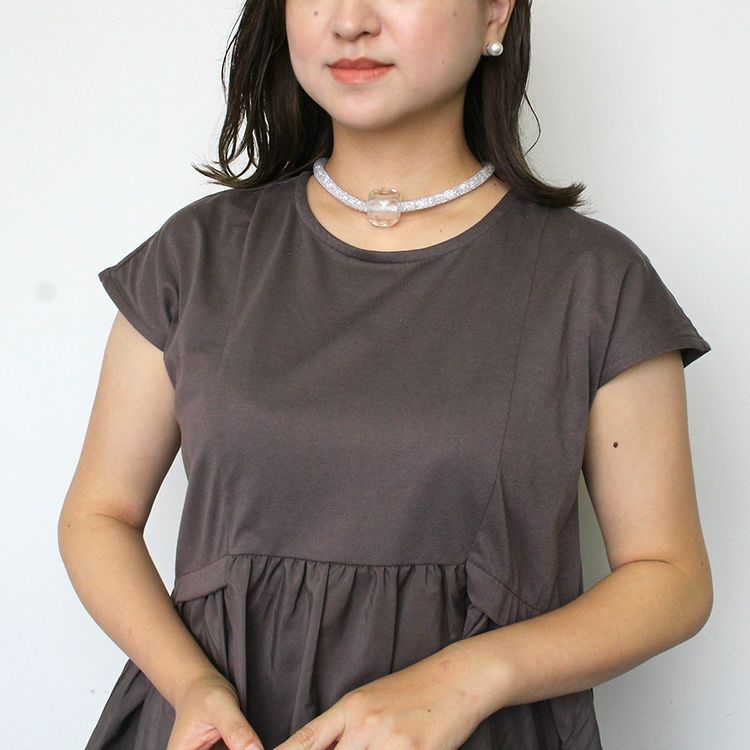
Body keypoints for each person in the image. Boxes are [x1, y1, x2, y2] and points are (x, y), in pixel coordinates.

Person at [58, 1, 714, 749]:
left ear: (495, 13)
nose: (350, 21)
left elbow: (670, 577)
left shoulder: (594, 279)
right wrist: (189, 685)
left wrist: (465, 681)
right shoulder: (196, 255)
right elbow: (98, 515)